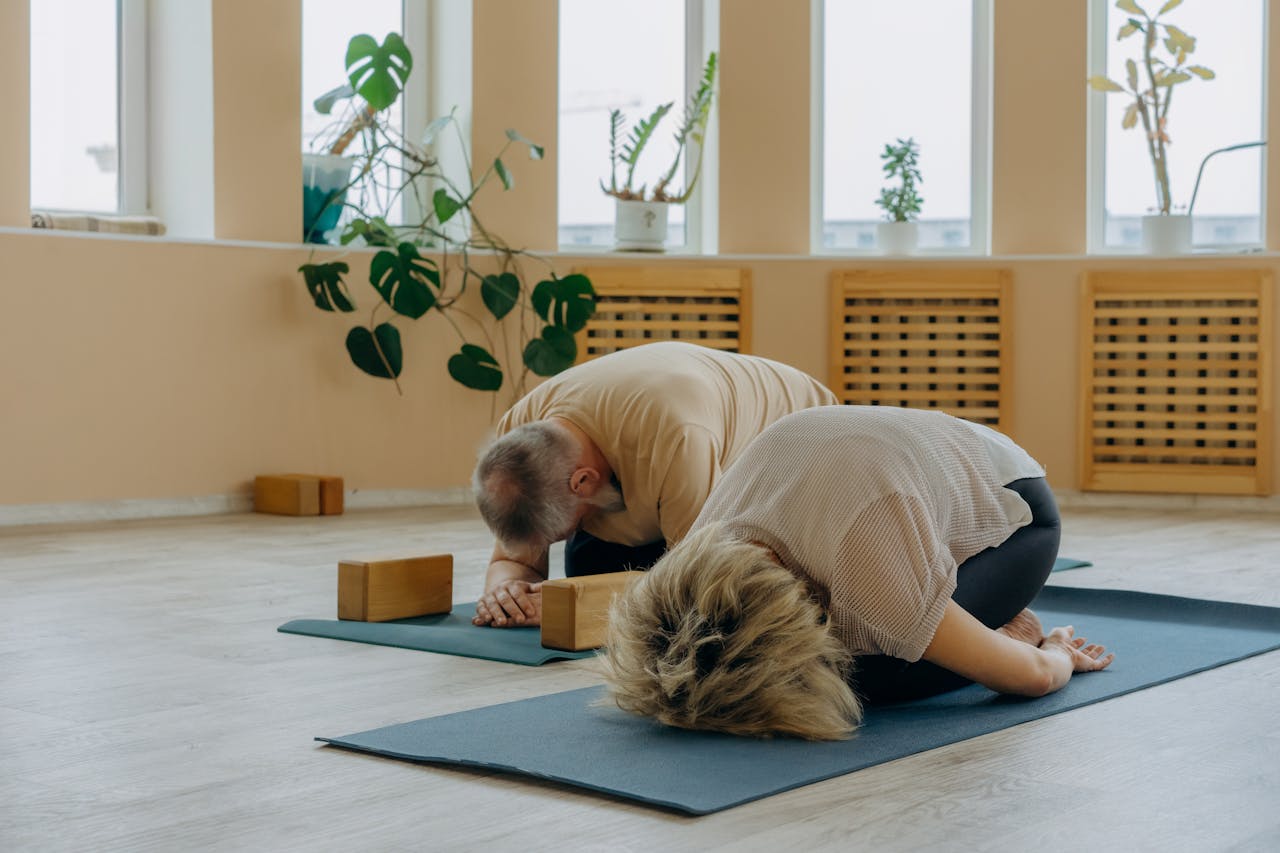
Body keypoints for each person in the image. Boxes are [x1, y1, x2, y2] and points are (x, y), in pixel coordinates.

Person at [600, 405, 1115, 740]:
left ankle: (978, 625)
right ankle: (959, 620)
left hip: (1017, 506)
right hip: (880, 473)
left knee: (865, 676)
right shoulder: (693, 559)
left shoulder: (868, 578)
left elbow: (1033, 677)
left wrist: (1054, 651)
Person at [470, 341, 838, 629]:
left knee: (706, 608)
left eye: (558, 531)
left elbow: (696, 582)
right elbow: (512, 558)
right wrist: (503, 591)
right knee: (586, 567)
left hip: (796, 445)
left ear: (582, 481)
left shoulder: (678, 437)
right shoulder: (520, 435)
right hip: (658, 445)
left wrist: (576, 601)